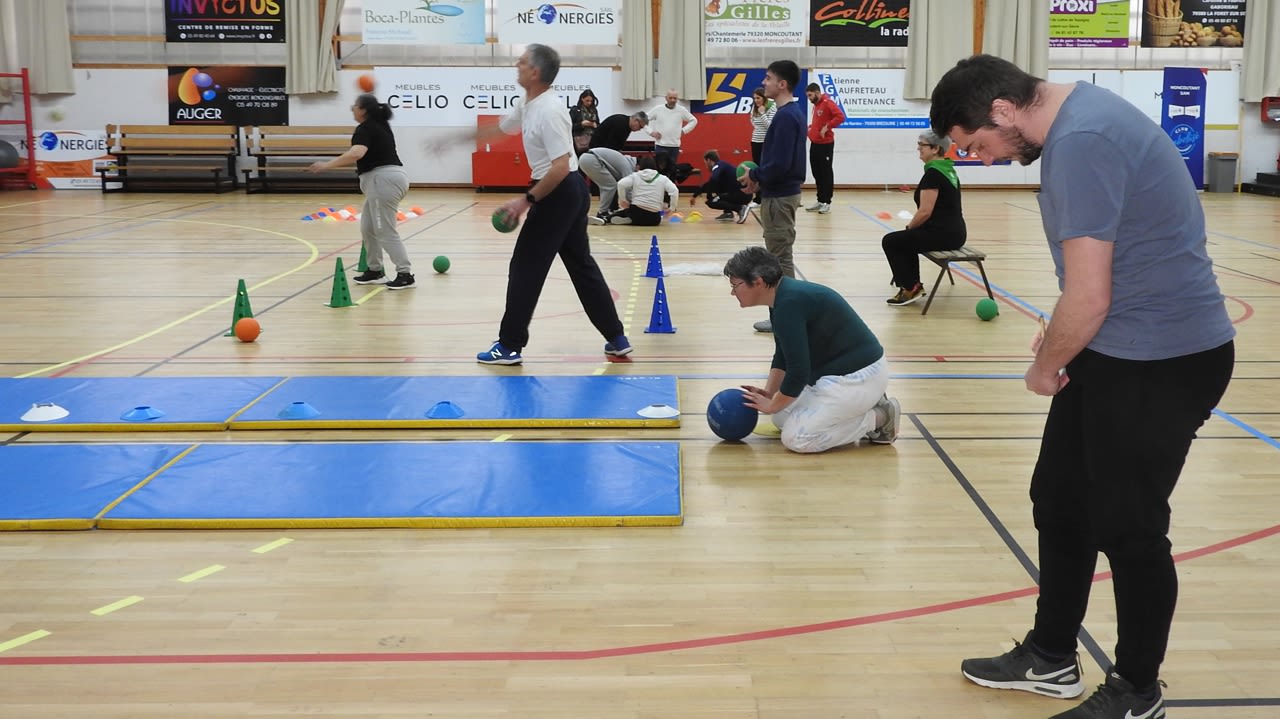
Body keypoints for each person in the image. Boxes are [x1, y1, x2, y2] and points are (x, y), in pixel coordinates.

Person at [930, 54, 1235, 719]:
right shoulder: (1083, 119)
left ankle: (1136, 688)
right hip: (1118, 344)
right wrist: (1062, 324)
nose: (978, 159)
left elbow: (1092, 293)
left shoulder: (1082, 141)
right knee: (1061, 498)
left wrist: (1046, 368)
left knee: (1129, 526)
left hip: (1164, 358)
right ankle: (1051, 654)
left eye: (976, 144)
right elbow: (1106, 273)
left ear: (1004, 110)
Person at [477, 44, 631, 366]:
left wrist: (526, 200)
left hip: (559, 190)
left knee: (525, 267)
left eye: (522, 62)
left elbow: (560, 166)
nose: (516, 65)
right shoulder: (528, 103)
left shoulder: (550, 111)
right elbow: (498, 129)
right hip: (568, 192)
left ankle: (509, 345)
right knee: (581, 265)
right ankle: (616, 339)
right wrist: (451, 139)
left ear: (535, 72)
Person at [725, 246, 900, 454]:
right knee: (781, 417)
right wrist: (770, 394)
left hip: (859, 377)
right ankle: (861, 406)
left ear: (759, 282)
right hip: (838, 376)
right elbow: (782, 355)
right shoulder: (780, 299)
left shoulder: (789, 304)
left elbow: (798, 373)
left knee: (797, 439)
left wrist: (772, 404)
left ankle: (880, 417)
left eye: (736, 285)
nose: (732, 292)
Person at [307, 93, 414, 289]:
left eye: (354, 106)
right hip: (386, 181)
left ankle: (405, 274)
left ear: (363, 110)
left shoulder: (365, 128)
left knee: (385, 231)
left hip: (382, 181)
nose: (352, 109)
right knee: (368, 228)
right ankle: (375, 270)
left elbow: (357, 152)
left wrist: (326, 165)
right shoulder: (380, 125)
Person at [740, 60, 806, 333]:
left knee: (779, 259)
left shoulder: (787, 116)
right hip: (777, 193)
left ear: (782, 84)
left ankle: (785, 317)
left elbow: (780, 164)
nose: (764, 82)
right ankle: (785, 315)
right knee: (779, 256)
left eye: (768, 78)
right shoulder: (788, 114)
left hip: (780, 197)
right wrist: (761, 181)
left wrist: (755, 177)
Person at [881, 130, 967, 306]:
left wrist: (909, 227)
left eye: (922, 145)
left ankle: (911, 288)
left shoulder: (933, 174)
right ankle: (912, 285)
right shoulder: (947, 169)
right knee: (906, 240)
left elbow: (924, 212)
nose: (918, 148)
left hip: (944, 234)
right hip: (953, 232)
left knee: (891, 241)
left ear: (935, 149)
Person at [589, 156, 678, 226]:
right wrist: (672, 208)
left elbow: (620, 184)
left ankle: (606, 219)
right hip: (654, 219)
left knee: (622, 212)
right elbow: (674, 191)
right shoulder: (663, 178)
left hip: (636, 212)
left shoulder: (635, 176)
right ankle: (630, 221)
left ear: (640, 166)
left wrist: (622, 200)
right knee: (650, 218)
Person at [804, 82, 844, 214]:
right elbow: (818, 122)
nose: (809, 98)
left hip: (825, 144)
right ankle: (820, 200)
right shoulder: (816, 105)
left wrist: (828, 126)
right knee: (817, 173)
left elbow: (840, 117)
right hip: (815, 143)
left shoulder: (827, 102)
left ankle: (827, 202)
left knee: (826, 173)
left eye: (810, 95)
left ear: (816, 92)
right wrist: (811, 129)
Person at [691, 149, 751, 224]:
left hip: (742, 194)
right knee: (718, 188)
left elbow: (713, 179)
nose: (706, 166)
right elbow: (709, 183)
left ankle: (740, 208)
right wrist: (694, 195)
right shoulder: (722, 165)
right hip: (743, 194)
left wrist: (709, 195)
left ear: (709, 160)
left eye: (705, 163)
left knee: (711, 202)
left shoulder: (718, 165)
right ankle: (728, 213)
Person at [578, 147, 636, 218]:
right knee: (609, 186)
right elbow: (628, 188)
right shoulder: (628, 166)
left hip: (587, 158)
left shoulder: (624, 160)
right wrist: (633, 205)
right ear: (638, 166)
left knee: (610, 185)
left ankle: (609, 210)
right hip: (591, 159)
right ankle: (602, 212)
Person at [646, 89, 698, 167]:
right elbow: (643, 120)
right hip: (660, 146)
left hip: (674, 146)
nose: (673, 100)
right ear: (666, 98)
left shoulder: (681, 110)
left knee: (672, 170)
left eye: (675, 98)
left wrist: (684, 130)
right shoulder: (658, 109)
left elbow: (694, 120)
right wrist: (651, 132)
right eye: (670, 98)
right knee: (660, 170)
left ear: (677, 99)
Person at [748, 87, 775, 205]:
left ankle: (768, 196)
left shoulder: (772, 107)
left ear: (764, 97)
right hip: (755, 141)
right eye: (754, 98)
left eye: (758, 98)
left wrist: (763, 113)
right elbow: (753, 122)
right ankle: (758, 198)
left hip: (767, 142)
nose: (756, 100)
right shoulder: (754, 108)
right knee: (757, 169)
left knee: (766, 169)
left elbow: (770, 126)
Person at [569, 89, 599, 154]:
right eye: (587, 100)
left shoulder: (594, 110)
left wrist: (595, 125)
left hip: (593, 140)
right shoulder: (575, 110)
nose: (589, 103)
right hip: (578, 140)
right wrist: (582, 124)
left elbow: (599, 124)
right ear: (582, 99)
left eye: (591, 101)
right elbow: (569, 126)